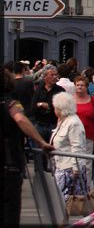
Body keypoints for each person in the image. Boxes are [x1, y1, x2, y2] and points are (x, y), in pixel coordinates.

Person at [3, 68, 54, 228]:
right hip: (8, 163)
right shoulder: (10, 103)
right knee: (9, 213)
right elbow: (20, 120)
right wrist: (41, 142)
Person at [51, 91, 91, 201]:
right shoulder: (63, 121)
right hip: (62, 166)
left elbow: (77, 146)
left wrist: (76, 169)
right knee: (61, 202)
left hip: (69, 169)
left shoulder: (74, 123)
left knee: (68, 202)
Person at [31, 65, 64, 142]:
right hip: (40, 124)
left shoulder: (60, 90)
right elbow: (33, 106)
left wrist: (43, 104)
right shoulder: (39, 89)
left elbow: (59, 107)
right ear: (45, 76)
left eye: (56, 75)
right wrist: (45, 105)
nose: (55, 77)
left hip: (54, 124)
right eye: (52, 75)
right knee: (38, 150)